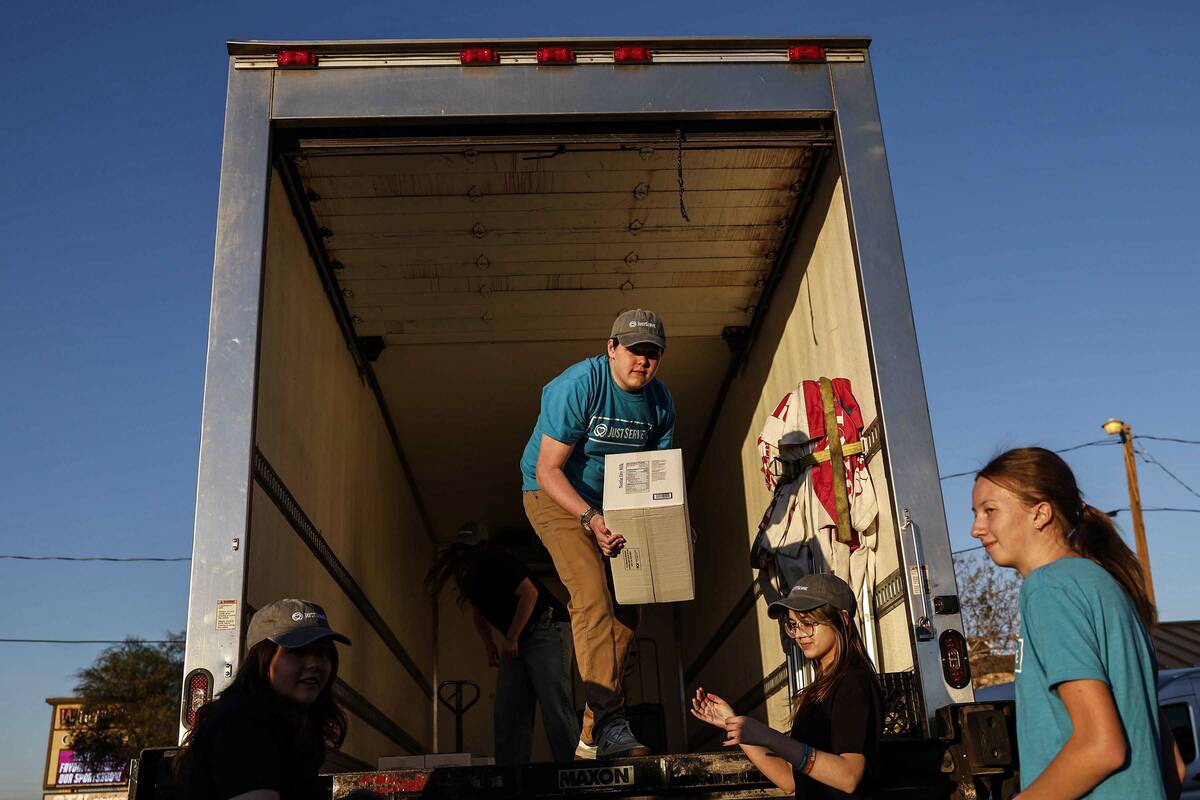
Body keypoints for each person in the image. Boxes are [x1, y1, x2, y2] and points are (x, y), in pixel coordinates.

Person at [519, 308, 675, 759]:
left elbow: (657, 476)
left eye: (652, 354)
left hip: (616, 503)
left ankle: (590, 735)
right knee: (591, 597)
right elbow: (549, 471)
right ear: (611, 349)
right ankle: (611, 722)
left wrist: (674, 527)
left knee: (629, 613)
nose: (642, 362)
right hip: (553, 495)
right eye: (633, 351)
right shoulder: (578, 386)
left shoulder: (661, 402)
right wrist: (590, 518)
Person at [970, 447, 1168, 799]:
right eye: (976, 513)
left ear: (1041, 513)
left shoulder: (1049, 589)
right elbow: (1173, 766)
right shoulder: (1106, 586)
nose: (976, 529)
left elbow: (1102, 746)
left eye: (990, 511)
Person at [691, 573, 882, 799]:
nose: (799, 634)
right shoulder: (819, 691)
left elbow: (848, 777)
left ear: (843, 620)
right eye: (793, 625)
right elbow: (790, 780)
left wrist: (769, 736)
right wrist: (734, 725)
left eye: (809, 623)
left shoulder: (853, 683)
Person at [424, 522, 578, 764]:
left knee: (554, 703)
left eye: (469, 550)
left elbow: (530, 594)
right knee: (509, 710)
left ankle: (572, 769)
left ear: (483, 547)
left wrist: (511, 637)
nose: (465, 556)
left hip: (547, 628)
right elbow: (478, 613)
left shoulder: (499, 562)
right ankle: (510, 777)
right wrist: (489, 645)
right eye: (461, 550)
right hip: (519, 639)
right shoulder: (469, 578)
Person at [174, 599, 351, 800]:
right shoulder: (240, 725)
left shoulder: (291, 729)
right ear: (263, 659)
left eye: (322, 653)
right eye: (297, 651)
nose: (314, 664)